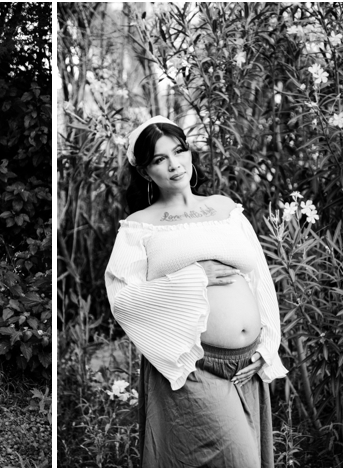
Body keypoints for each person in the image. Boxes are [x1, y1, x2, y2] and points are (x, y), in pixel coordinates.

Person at [104, 116, 288, 467]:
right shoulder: (140, 226)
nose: (174, 165)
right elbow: (122, 300)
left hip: (246, 363)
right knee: (240, 462)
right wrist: (193, 278)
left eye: (179, 151)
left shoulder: (225, 208)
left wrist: (268, 346)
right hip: (193, 366)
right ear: (145, 172)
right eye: (159, 159)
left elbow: (259, 278)